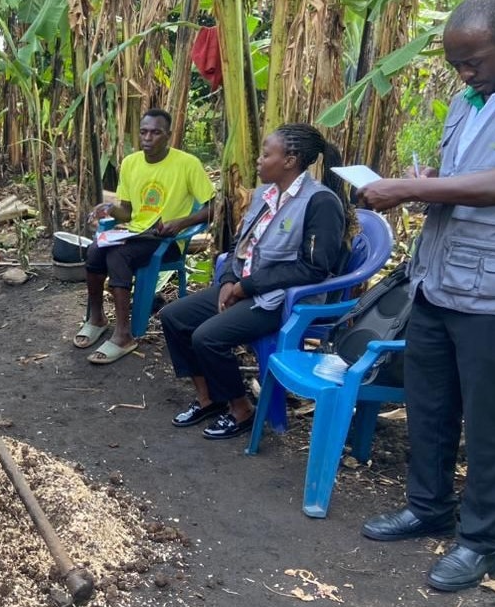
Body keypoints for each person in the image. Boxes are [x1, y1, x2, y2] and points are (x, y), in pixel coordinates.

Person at [356, 0, 495, 591]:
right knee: (429, 405)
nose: (464, 75)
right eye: (455, 65)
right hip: (437, 279)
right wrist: (423, 190)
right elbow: (461, 184)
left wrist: (407, 188)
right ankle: (428, 508)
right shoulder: (464, 102)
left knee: (492, 423)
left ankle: (481, 543)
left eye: (472, 61)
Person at [160, 124, 354, 439]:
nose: (260, 162)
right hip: (247, 290)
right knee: (174, 317)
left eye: (266, 155)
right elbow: (240, 245)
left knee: (207, 337)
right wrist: (227, 281)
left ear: (290, 160)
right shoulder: (265, 194)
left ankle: (241, 410)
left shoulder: (320, 202)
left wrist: (245, 287)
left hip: (284, 299)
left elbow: (314, 268)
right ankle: (209, 398)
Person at [73, 108, 215, 364]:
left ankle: (124, 334)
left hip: (165, 241)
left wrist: (181, 222)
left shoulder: (187, 164)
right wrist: (108, 209)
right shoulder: (130, 163)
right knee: (95, 250)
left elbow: (213, 207)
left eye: (156, 132)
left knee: (118, 256)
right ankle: (97, 318)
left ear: (168, 135)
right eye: (144, 132)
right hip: (135, 233)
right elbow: (126, 212)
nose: (148, 138)